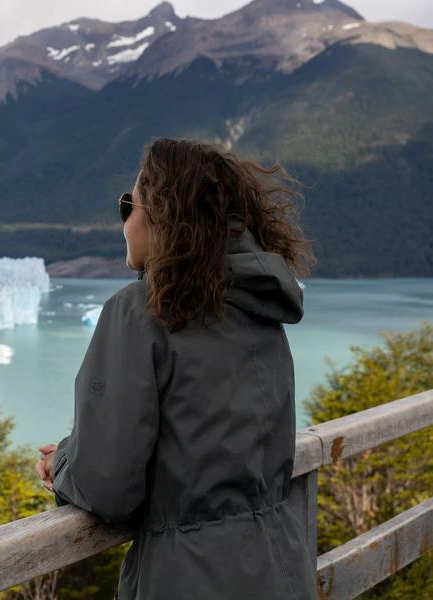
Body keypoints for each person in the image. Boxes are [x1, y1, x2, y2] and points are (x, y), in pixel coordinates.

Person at [35, 138, 318, 599]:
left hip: (191, 578)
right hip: (283, 567)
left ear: (160, 214)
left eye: (129, 205)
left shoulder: (140, 312)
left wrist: (63, 461)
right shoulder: (258, 305)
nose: (124, 222)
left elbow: (107, 487)